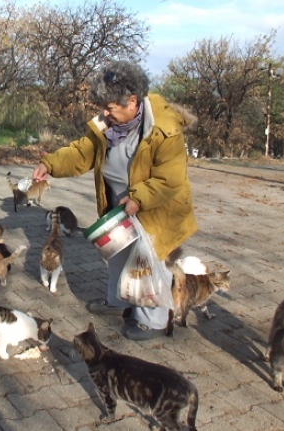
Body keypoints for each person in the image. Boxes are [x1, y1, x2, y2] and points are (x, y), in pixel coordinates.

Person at [32, 60, 197, 341]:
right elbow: (82, 152)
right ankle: (119, 301)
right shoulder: (106, 125)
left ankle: (152, 320)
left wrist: (137, 199)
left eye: (109, 107)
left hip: (154, 209)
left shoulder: (165, 129)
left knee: (147, 264)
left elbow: (169, 180)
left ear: (132, 102)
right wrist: (52, 165)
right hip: (119, 206)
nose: (104, 113)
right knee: (119, 255)